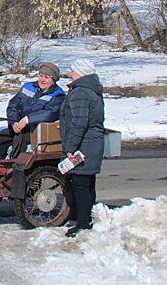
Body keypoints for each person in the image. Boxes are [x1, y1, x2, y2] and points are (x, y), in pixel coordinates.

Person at [59, 58, 104, 238]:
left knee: (81, 184)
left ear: (79, 72)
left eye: (72, 70)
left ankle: (83, 223)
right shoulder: (91, 89)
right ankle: (83, 218)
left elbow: (79, 123)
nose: (70, 73)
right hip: (91, 143)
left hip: (84, 145)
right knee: (86, 183)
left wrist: (70, 147)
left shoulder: (80, 92)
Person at [0, 62, 65, 159]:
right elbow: (13, 105)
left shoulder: (58, 95)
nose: (42, 80)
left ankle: (15, 164)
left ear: (53, 80)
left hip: (38, 130)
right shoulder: (28, 87)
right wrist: (14, 122)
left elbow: (50, 113)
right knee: (3, 135)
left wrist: (27, 120)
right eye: (41, 76)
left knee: (20, 139)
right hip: (21, 125)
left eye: (46, 77)